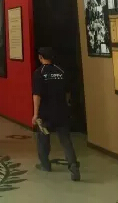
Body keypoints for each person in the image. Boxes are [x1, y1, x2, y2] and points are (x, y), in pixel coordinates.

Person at [32, 47, 80, 181]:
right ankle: (73, 165)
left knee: (43, 139)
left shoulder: (39, 73)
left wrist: (35, 114)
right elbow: (68, 91)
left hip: (45, 113)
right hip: (61, 111)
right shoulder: (61, 71)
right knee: (66, 140)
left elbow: (37, 95)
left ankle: (45, 164)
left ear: (40, 57)